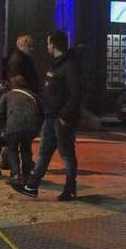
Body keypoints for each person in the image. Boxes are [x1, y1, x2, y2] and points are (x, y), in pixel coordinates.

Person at [14, 30, 81, 200]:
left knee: (66, 154)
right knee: (44, 152)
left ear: (53, 44)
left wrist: (64, 116)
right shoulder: (56, 64)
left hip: (60, 118)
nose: (46, 46)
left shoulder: (70, 66)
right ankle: (32, 186)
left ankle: (70, 189)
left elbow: (76, 94)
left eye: (48, 43)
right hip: (50, 116)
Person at [0, 75, 43, 185]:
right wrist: (37, 128)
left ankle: (16, 175)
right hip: (30, 128)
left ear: (12, 85)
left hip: (13, 127)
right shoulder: (33, 95)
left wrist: (3, 129)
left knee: (12, 150)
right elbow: (41, 112)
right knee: (26, 150)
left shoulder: (7, 96)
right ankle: (26, 175)